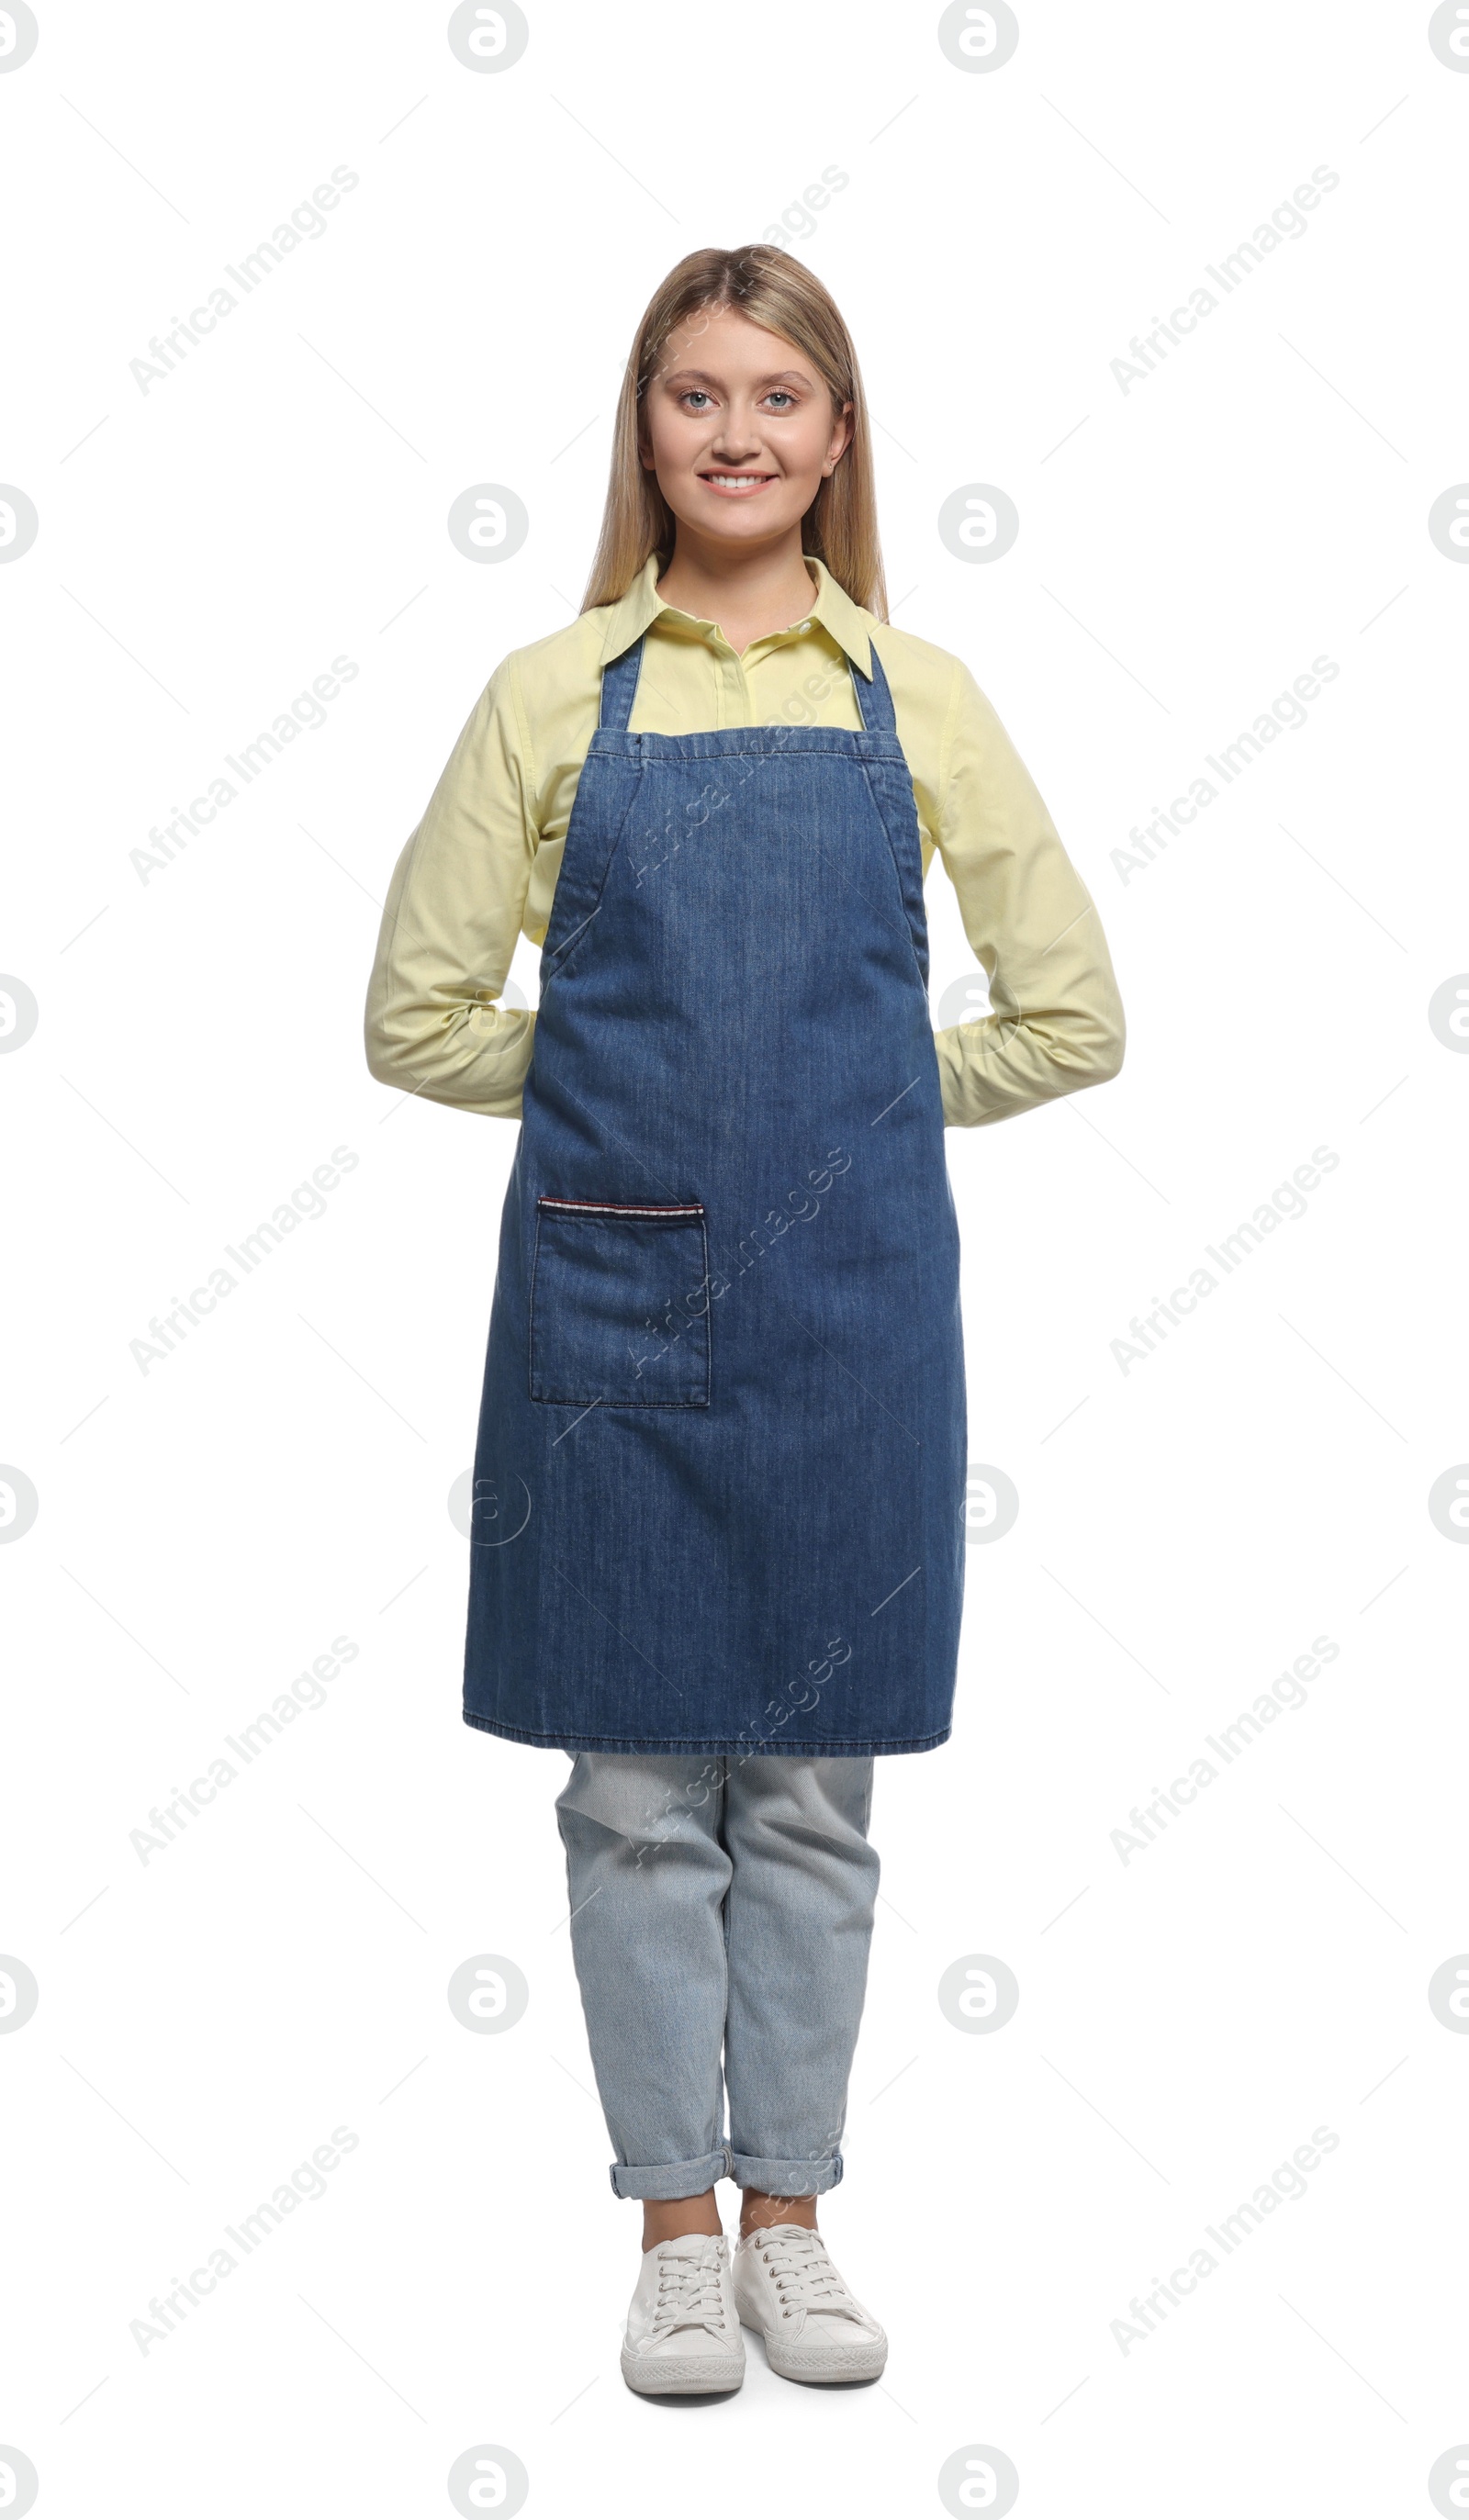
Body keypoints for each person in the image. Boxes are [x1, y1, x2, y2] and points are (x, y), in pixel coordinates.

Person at [364, 244, 1125, 2397]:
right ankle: (669, 2227)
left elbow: (1068, 1016)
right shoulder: (546, 690)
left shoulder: (923, 695)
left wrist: (869, 1105)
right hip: (607, 1289)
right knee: (626, 1785)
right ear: (642, 431)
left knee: (805, 1785)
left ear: (837, 435)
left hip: (849, 1303)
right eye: (690, 394)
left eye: (773, 395)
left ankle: (792, 2208)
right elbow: (415, 1020)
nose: (731, 431)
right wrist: (625, 1094)